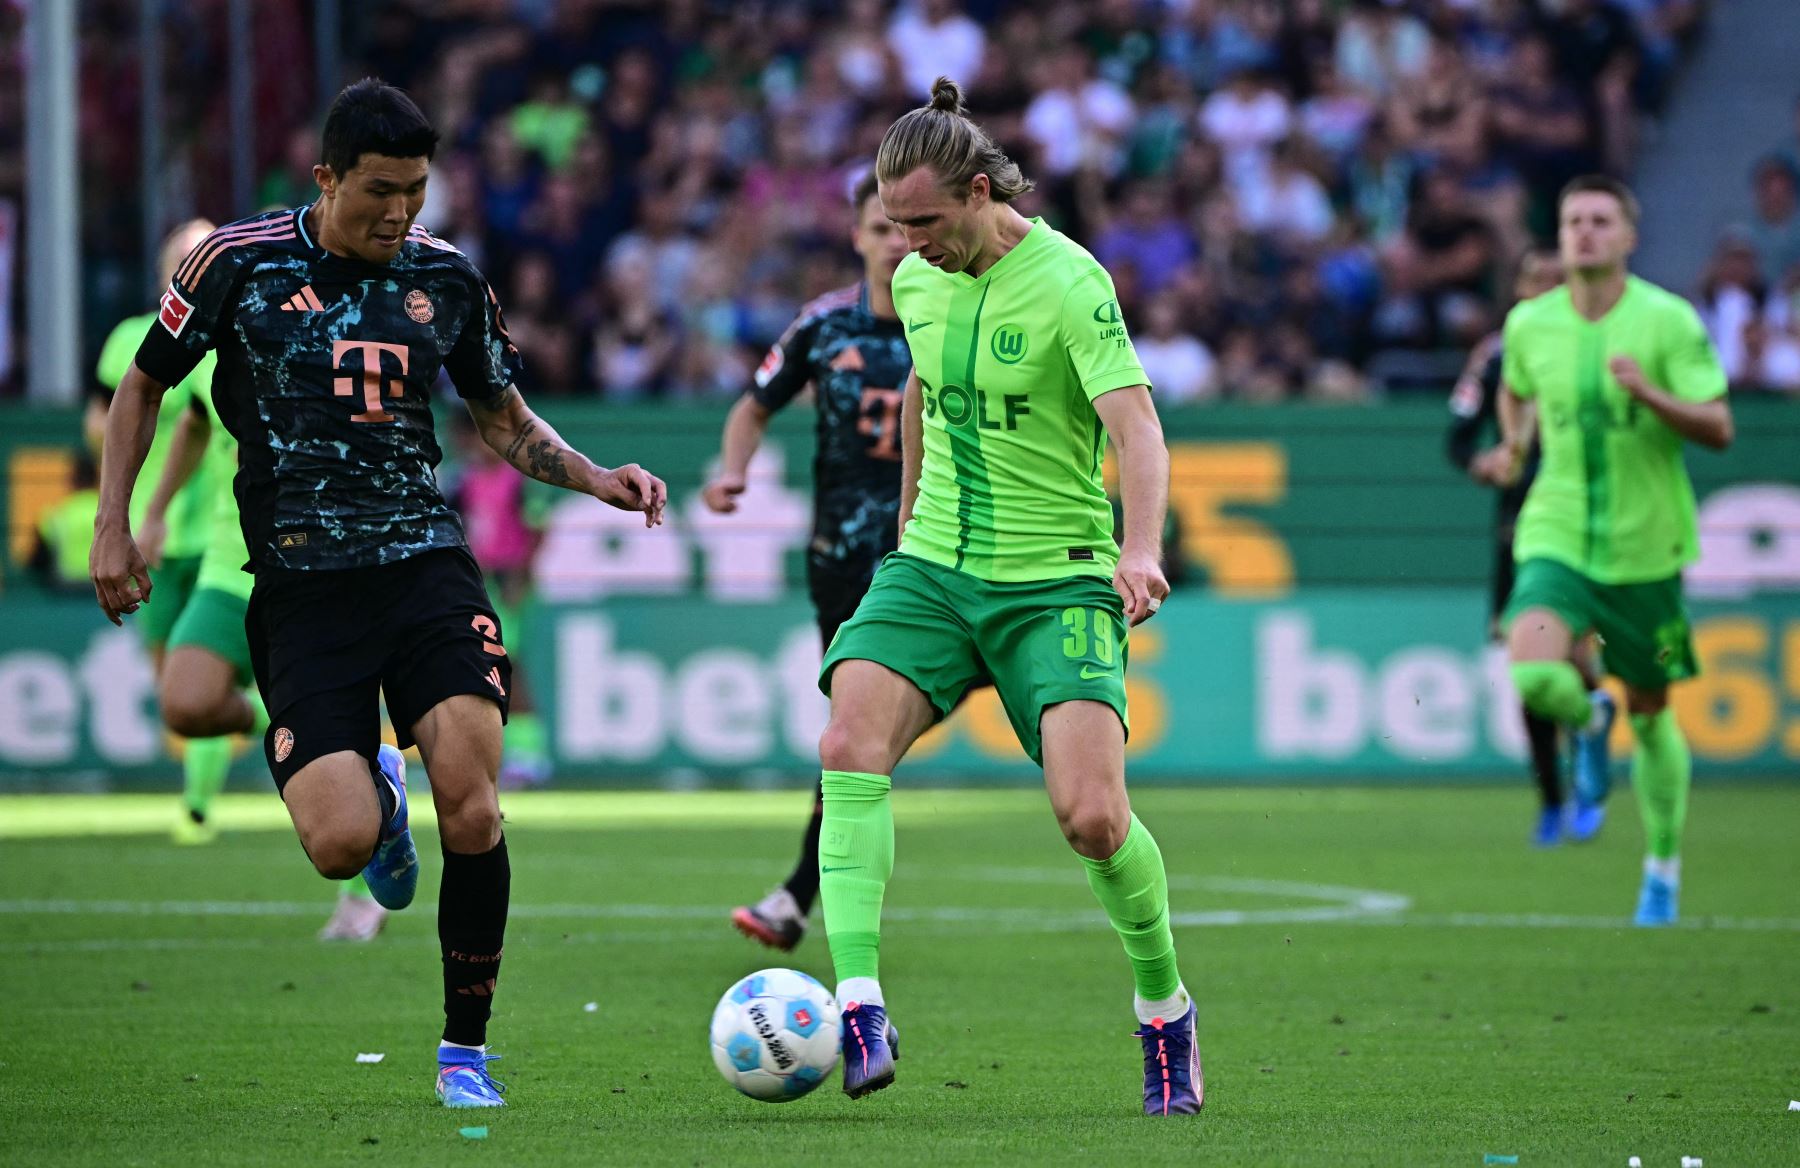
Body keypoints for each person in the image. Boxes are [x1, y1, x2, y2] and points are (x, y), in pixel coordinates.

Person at [90, 79, 668, 1108]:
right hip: (302, 586)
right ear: (324, 179)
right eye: (379, 192)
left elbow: (503, 418)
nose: (400, 213)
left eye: (415, 191)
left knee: (477, 802)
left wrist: (596, 475)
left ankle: (464, 1050)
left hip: (423, 568)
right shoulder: (235, 264)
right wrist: (112, 523)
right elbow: (144, 384)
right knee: (338, 844)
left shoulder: (444, 280)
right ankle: (377, 795)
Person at [811, 78, 1199, 1114]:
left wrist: (1141, 547)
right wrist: (904, 536)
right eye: (894, 228)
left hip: (1054, 578)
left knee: (1092, 820)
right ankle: (858, 1003)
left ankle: (1164, 1011)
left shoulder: (1072, 283)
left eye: (926, 225)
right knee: (847, 745)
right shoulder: (919, 282)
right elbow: (921, 393)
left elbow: (1137, 429)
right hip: (936, 565)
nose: (908, 248)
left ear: (981, 191)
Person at [1495, 175, 1732, 927]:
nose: (1585, 233)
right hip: (1557, 529)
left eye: (1601, 221)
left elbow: (1719, 424)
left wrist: (1653, 396)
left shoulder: (1667, 322)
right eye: (1572, 221)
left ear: (1629, 236)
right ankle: (1591, 720)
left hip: (1645, 546)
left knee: (1656, 714)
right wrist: (1514, 439)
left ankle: (1661, 868)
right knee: (1533, 674)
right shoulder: (1531, 324)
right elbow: (1514, 385)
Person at [702, 169, 912, 953]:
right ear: (858, 236)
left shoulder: (956, 321)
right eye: (880, 228)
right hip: (845, 564)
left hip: (942, 556)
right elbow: (752, 406)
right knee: (864, 737)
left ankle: (797, 895)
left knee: (868, 737)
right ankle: (801, 895)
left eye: (905, 226)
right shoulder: (823, 328)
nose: (895, 242)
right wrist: (732, 471)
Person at [141, 350, 385, 941]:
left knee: (336, 805)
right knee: (186, 701)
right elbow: (194, 420)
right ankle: (315, 736)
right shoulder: (200, 347)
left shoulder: (307, 326)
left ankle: (360, 898)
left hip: (307, 569)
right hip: (229, 565)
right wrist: (153, 513)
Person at [1449, 248, 1604, 846]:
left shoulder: (1593, 346)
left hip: (1586, 529)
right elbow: (1457, 437)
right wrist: (1482, 461)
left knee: (1580, 658)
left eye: (1555, 283)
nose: (1543, 295)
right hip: (1519, 533)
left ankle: (1590, 750)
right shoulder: (1496, 356)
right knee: (1530, 672)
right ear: (1517, 290)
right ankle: (1551, 797)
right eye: (1534, 283)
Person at [89, 219, 233, 844]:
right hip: (151, 537)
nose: (193, 265)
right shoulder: (129, 340)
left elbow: (199, 422)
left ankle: (198, 805)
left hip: (217, 538)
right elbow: (101, 417)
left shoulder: (229, 338)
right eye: (184, 256)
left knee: (199, 674)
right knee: (173, 682)